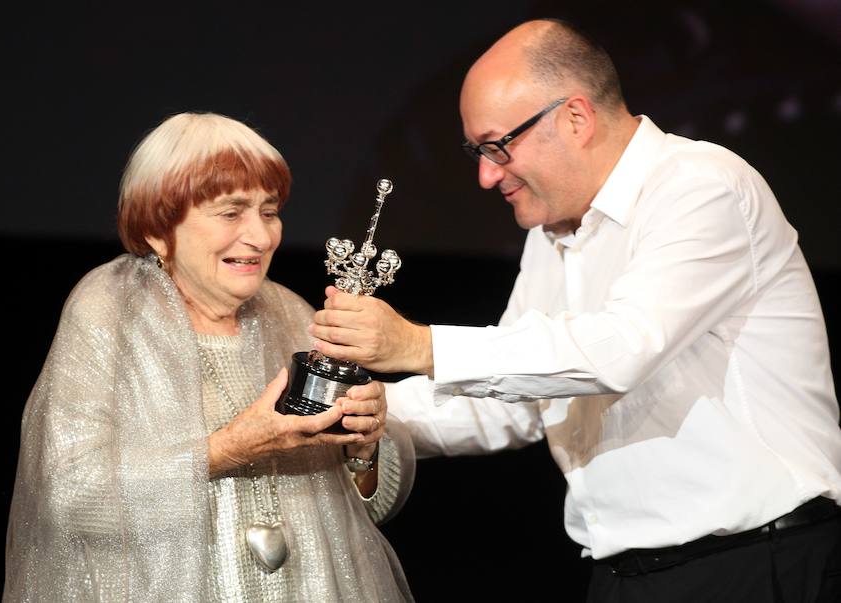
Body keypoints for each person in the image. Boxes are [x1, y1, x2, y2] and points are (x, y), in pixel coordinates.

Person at [309, 18, 841, 603]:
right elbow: (516, 404)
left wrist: (420, 346)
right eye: (476, 152)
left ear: (576, 118)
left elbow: (623, 347)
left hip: (753, 562)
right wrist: (371, 410)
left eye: (496, 146)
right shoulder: (553, 232)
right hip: (627, 576)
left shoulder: (700, 186)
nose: (486, 175)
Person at [4, 112, 415, 602]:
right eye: (230, 213)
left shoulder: (289, 313)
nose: (261, 237)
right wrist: (228, 448)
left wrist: (363, 448)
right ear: (159, 226)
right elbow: (70, 496)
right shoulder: (110, 312)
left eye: (268, 211)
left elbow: (363, 511)